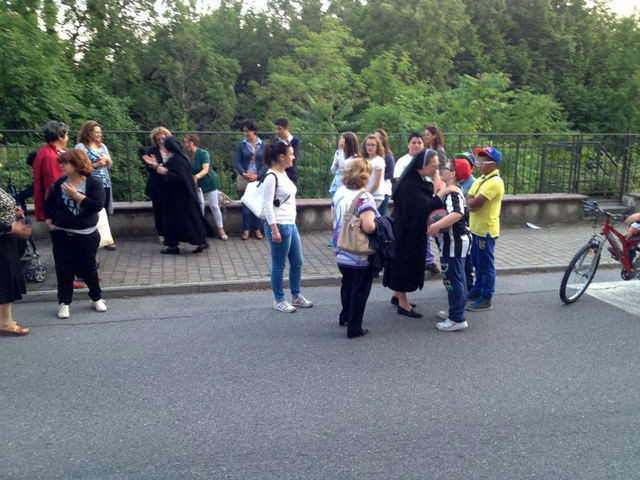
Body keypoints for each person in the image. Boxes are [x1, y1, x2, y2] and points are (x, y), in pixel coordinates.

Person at [44, 150, 107, 319]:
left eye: (66, 163)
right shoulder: (59, 183)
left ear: (77, 164)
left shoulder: (93, 183)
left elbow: (97, 205)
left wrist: (76, 195)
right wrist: (49, 220)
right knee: (64, 269)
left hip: (86, 235)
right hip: (62, 233)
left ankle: (96, 298)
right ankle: (64, 303)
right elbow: (49, 204)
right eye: (61, 163)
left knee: (89, 268)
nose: (62, 166)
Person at [383, 149, 444, 318]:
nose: (435, 170)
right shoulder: (409, 184)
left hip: (409, 229)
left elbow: (428, 193)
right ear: (422, 165)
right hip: (404, 231)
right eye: (433, 166)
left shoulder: (417, 179)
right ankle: (403, 303)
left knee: (402, 263)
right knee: (404, 265)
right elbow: (426, 205)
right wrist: (443, 192)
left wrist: (435, 179)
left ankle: (397, 295)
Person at [262, 138, 314, 313]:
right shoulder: (271, 176)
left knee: (297, 261)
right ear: (281, 156)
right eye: (291, 154)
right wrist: (274, 229)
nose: (294, 157)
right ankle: (279, 299)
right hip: (279, 225)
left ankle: (296, 295)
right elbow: (267, 205)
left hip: (290, 223)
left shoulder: (284, 173)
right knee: (279, 264)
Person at [332, 158, 378, 338]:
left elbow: (333, 217)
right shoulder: (364, 197)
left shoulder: (339, 192)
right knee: (360, 288)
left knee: (347, 283)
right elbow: (368, 227)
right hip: (358, 251)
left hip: (341, 246)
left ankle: (344, 315)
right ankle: (355, 326)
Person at [427, 159, 473, 332]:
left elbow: (457, 213)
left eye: (445, 168)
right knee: (456, 278)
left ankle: (457, 318)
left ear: (453, 173)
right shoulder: (451, 190)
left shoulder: (453, 193)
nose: (441, 170)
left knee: (453, 279)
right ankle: (455, 310)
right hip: (453, 241)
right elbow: (434, 205)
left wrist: (437, 225)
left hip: (455, 241)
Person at [142, 137, 209, 254]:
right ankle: (175, 245)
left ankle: (192, 243)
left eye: (164, 146)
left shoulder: (176, 160)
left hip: (180, 197)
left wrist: (161, 169)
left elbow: (178, 177)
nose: (162, 147)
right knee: (180, 220)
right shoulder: (180, 157)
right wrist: (157, 166)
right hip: (180, 196)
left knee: (186, 220)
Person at [466, 146, 504, 312]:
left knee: (486, 265)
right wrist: (471, 201)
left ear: (493, 164)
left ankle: (486, 297)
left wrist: (471, 202)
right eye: (478, 160)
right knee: (477, 262)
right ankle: (477, 289)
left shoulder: (494, 182)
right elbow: (469, 196)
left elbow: (473, 204)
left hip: (486, 231)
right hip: (476, 228)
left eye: (483, 161)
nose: (479, 164)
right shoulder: (482, 179)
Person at [0, 161, 32, 336]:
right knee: (5, 279)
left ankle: (5, 319)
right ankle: (5, 322)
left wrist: (15, 212)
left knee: (7, 278)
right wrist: (11, 227)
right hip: (3, 238)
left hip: (6, 239)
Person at [76, 120, 116, 250]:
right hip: (90, 184)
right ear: (89, 133)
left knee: (104, 210)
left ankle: (106, 239)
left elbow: (110, 164)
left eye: (100, 132)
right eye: (96, 132)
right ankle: (93, 237)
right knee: (93, 210)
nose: (99, 135)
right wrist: (96, 165)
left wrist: (107, 161)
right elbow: (79, 167)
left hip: (104, 182)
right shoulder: (81, 148)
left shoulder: (102, 146)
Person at [183, 134, 228, 241]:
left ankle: (221, 230)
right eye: (185, 143)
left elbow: (205, 169)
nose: (186, 145)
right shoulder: (187, 155)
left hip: (209, 182)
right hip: (196, 184)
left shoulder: (203, 153)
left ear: (193, 142)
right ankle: (200, 230)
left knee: (214, 206)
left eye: (188, 142)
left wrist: (196, 176)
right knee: (200, 206)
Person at [235, 119, 265, 240]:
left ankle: (257, 230)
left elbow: (266, 163)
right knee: (246, 205)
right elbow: (237, 161)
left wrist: (258, 175)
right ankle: (246, 230)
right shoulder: (241, 145)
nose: (245, 133)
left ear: (254, 130)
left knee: (257, 204)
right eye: (244, 131)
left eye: (247, 131)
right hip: (245, 178)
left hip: (257, 178)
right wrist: (244, 173)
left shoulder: (264, 145)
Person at [33, 120, 68, 222]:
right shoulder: (51, 156)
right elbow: (55, 183)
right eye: (66, 134)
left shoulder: (48, 152)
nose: (67, 138)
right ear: (60, 137)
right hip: (58, 207)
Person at [423, 125, 446, 274]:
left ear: (434, 135)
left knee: (433, 224)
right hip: (426, 187)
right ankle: (427, 259)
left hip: (435, 188)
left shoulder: (439, 151)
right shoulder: (426, 149)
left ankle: (434, 259)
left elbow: (442, 171)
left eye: (427, 135)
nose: (425, 137)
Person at [144, 126, 171, 244]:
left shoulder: (172, 150)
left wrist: (160, 166)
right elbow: (148, 167)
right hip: (157, 185)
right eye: (158, 139)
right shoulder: (151, 151)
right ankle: (161, 233)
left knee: (171, 210)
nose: (160, 141)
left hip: (171, 184)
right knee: (159, 210)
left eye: (163, 138)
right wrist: (157, 167)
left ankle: (172, 232)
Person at [455, 152, 477, 289]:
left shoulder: (473, 183)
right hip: (456, 224)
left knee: (467, 255)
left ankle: (468, 283)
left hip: (466, 223)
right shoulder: (455, 181)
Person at [362, 134, 386, 208]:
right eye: (368, 145)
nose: (370, 147)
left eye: (373, 145)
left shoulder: (379, 161)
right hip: (365, 195)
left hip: (375, 196)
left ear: (377, 147)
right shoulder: (364, 160)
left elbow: (376, 182)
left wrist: (367, 195)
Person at [374, 128, 395, 216]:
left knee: (381, 216)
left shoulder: (388, 156)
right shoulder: (373, 155)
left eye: (379, 137)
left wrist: (377, 177)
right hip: (373, 190)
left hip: (384, 190)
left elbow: (390, 174)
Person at [275, 117, 300, 184]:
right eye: (276, 129)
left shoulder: (295, 141)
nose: (277, 131)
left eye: (280, 129)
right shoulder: (275, 142)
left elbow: (293, 159)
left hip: (290, 174)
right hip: (277, 174)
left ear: (287, 128)